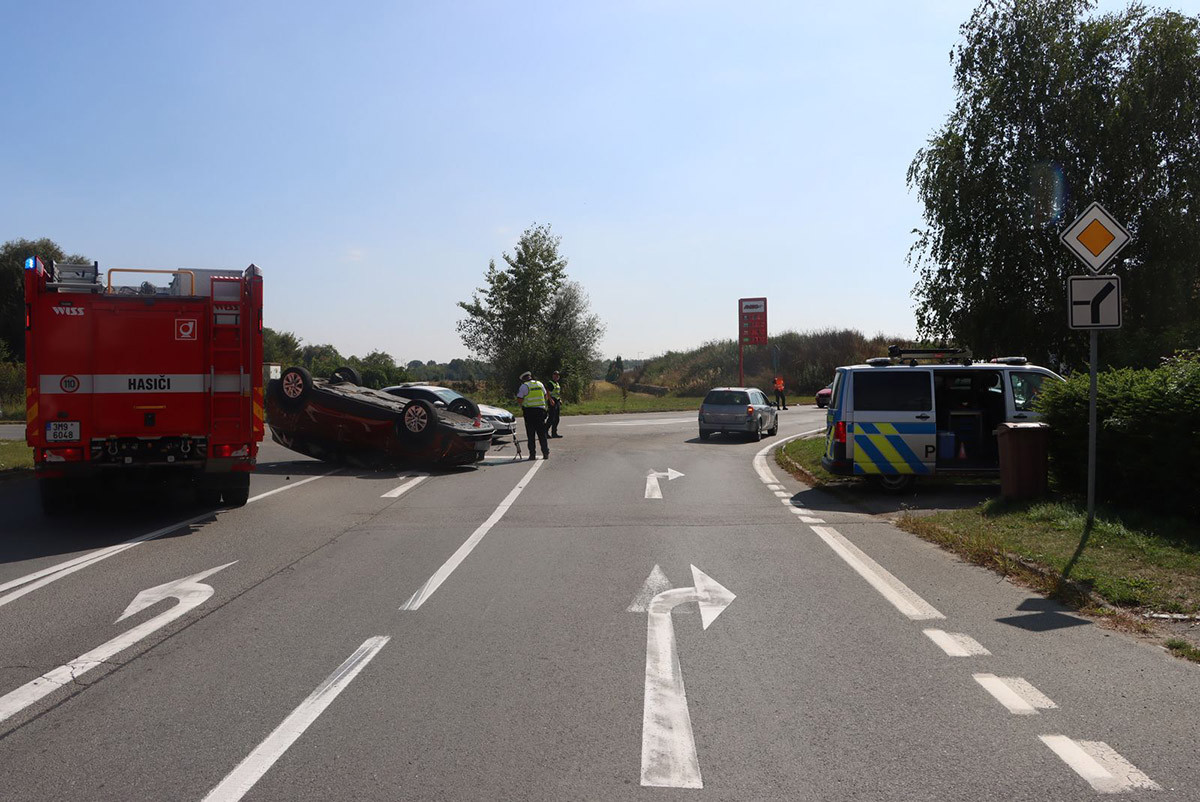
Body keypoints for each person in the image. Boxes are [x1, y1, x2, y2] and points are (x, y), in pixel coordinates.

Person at [515, 370, 550, 460]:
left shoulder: (524, 386)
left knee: (531, 435)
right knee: (542, 434)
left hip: (529, 413)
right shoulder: (539, 384)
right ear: (530, 377)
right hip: (540, 412)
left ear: (523, 379)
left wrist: (524, 403)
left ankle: (532, 455)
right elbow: (545, 396)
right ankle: (545, 453)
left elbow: (519, 399)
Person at [546, 370, 563, 438]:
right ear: (553, 376)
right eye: (555, 375)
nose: (556, 376)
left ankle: (554, 433)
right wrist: (550, 400)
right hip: (552, 401)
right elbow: (547, 392)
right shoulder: (550, 383)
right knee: (551, 418)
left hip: (557, 401)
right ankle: (545, 432)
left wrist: (560, 399)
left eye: (558, 375)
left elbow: (557, 392)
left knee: (557, 418)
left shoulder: (557, 383)